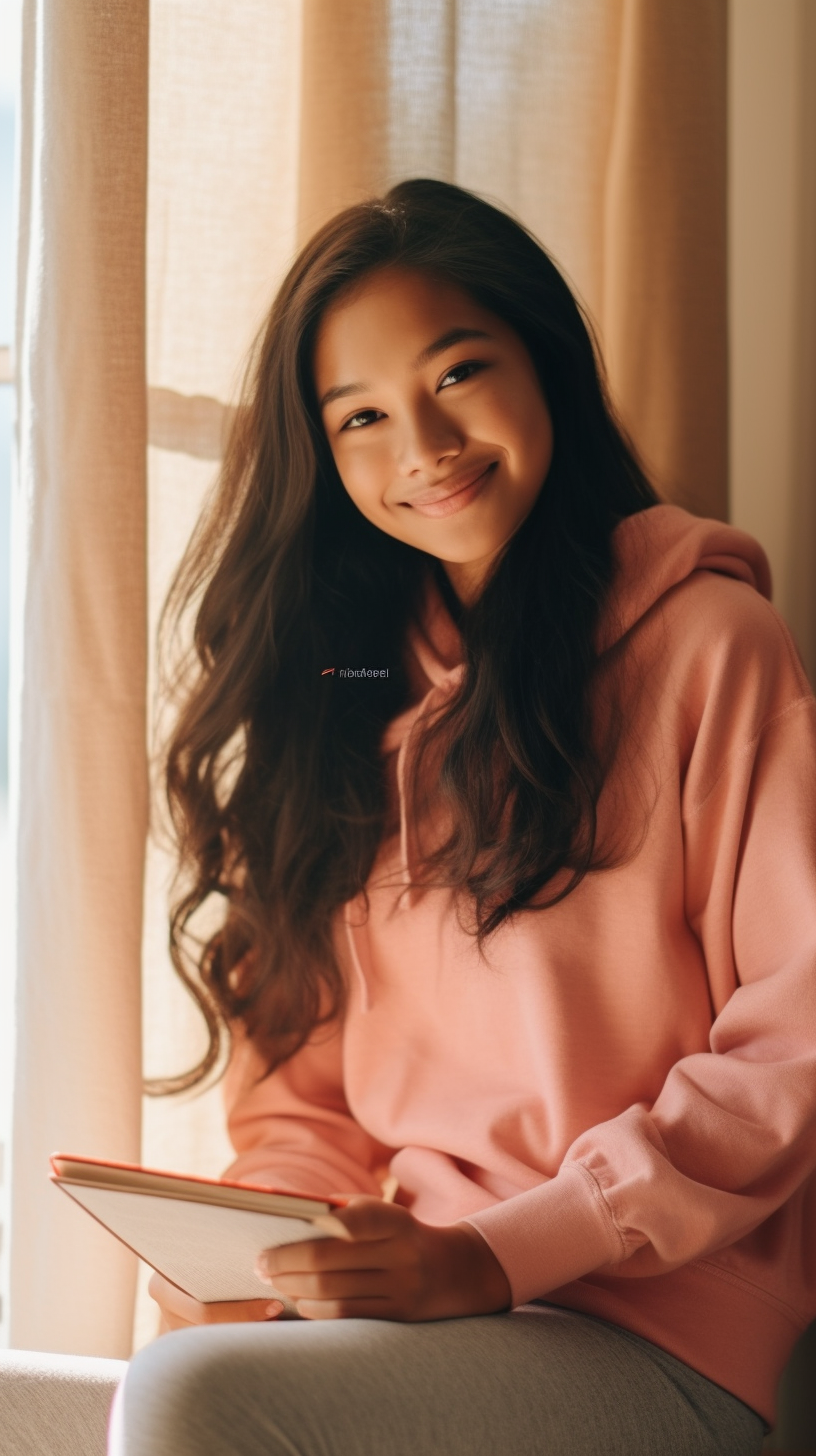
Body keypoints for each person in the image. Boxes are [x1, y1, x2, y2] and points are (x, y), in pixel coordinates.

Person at [109, 179, 815, 1456]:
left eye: (458, 373)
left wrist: (495, 1257)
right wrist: (253, 1265)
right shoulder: (344, 696)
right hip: (431, 1314)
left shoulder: (718, 644)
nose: (423, 443)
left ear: (543, 364)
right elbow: (304, 1110)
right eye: (363, 416)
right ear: (324, 458)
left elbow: (792, 1053)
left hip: (653, 1325)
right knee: (93, 1385)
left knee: (188, 1403)